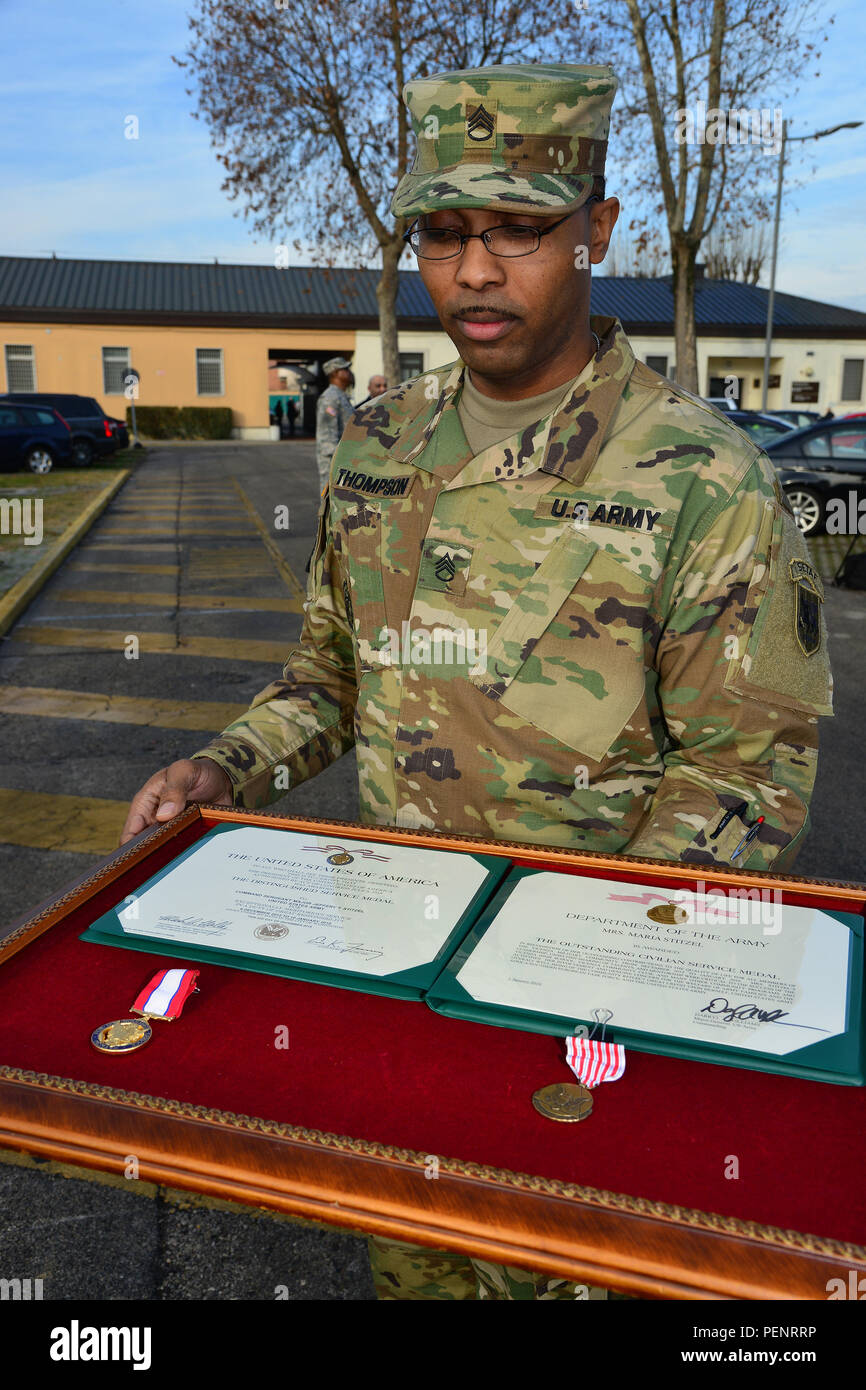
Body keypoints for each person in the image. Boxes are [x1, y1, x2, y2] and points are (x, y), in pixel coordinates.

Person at [121, 62, 833, 1300]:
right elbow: (329, 677)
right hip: (398, 1006)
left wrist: (576, 963)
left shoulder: (709, 479)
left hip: (593, 1034)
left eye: (519, 229)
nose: (476, 271)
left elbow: (749, 776)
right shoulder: (380, 442)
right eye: (443, 234)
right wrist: (221, 766)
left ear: (596, 228)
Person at [315, 357, 354, 494]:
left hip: (343, 460)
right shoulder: (330, 398)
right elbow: (327, 436)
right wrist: (338, 461)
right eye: (345, 369)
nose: (349, 372)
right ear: (335, 373)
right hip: (333, 462)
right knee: (330, 503)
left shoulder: (341, 396)